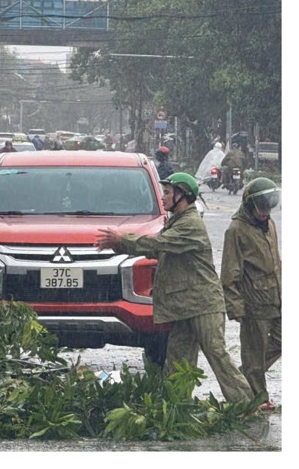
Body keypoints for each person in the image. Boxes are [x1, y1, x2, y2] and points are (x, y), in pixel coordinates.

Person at [95, 172, 251, 403]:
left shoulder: (190, 224)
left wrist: (121, 240)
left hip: (203, 304)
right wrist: (119, 245)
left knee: (217, 355)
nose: (163, 198)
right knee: (177, 361)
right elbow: (155, 248)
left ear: (183, 195)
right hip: (183, 306)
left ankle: (246, 404)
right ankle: (174, 405)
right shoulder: (177, 222)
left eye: (167, 193)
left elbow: (158, 243)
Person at [221, 177, 281, 407]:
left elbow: (276, 260)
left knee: (281, 342)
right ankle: (257, 397)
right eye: (261, 208)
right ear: (249, 205)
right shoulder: (236, 230)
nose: (265, 213)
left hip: (277, 298)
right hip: (254, 303)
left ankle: (244, 375)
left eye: (269, 208)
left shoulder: (270, 225)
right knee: (254, 352)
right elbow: (229, 273)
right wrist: (234, 305)